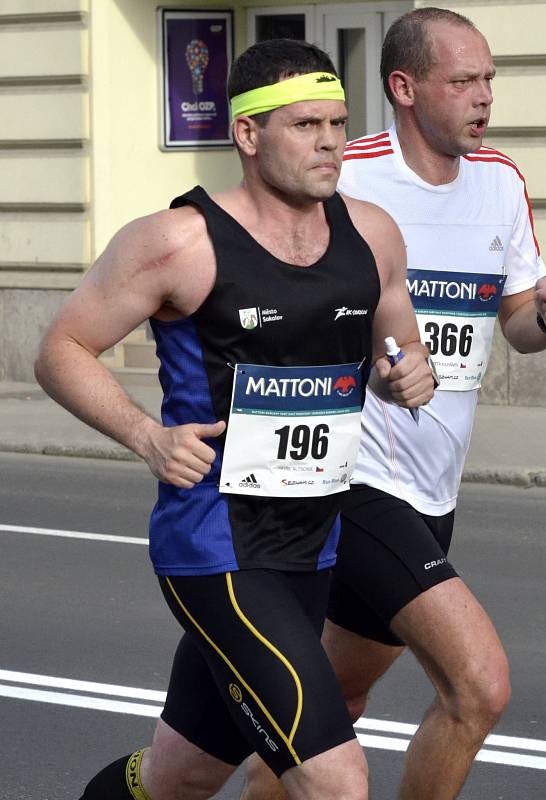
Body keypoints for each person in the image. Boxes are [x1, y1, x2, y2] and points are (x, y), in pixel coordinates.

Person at [34, 39, 434, 800]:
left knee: (181, 776)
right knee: (337, 781)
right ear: (248, 135)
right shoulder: (178, 241)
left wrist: (407, 375)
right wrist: (146, 435)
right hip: (214, 545)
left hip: (311, 545)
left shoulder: (372, 234)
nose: (327, 143)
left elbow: (397, 352)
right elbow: (62, 350)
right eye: (304, 125)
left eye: (337, 123)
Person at [238, 8, 546, 800]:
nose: (482, 97)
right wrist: (375, 358)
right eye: (461, 80)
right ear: (403, 86)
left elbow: (517, 324)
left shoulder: (500, 181)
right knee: (478, 686)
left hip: (434, 485)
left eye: (488, 79)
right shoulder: (346, 177)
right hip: (353, 476)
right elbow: (273, 302)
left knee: (335, 704)